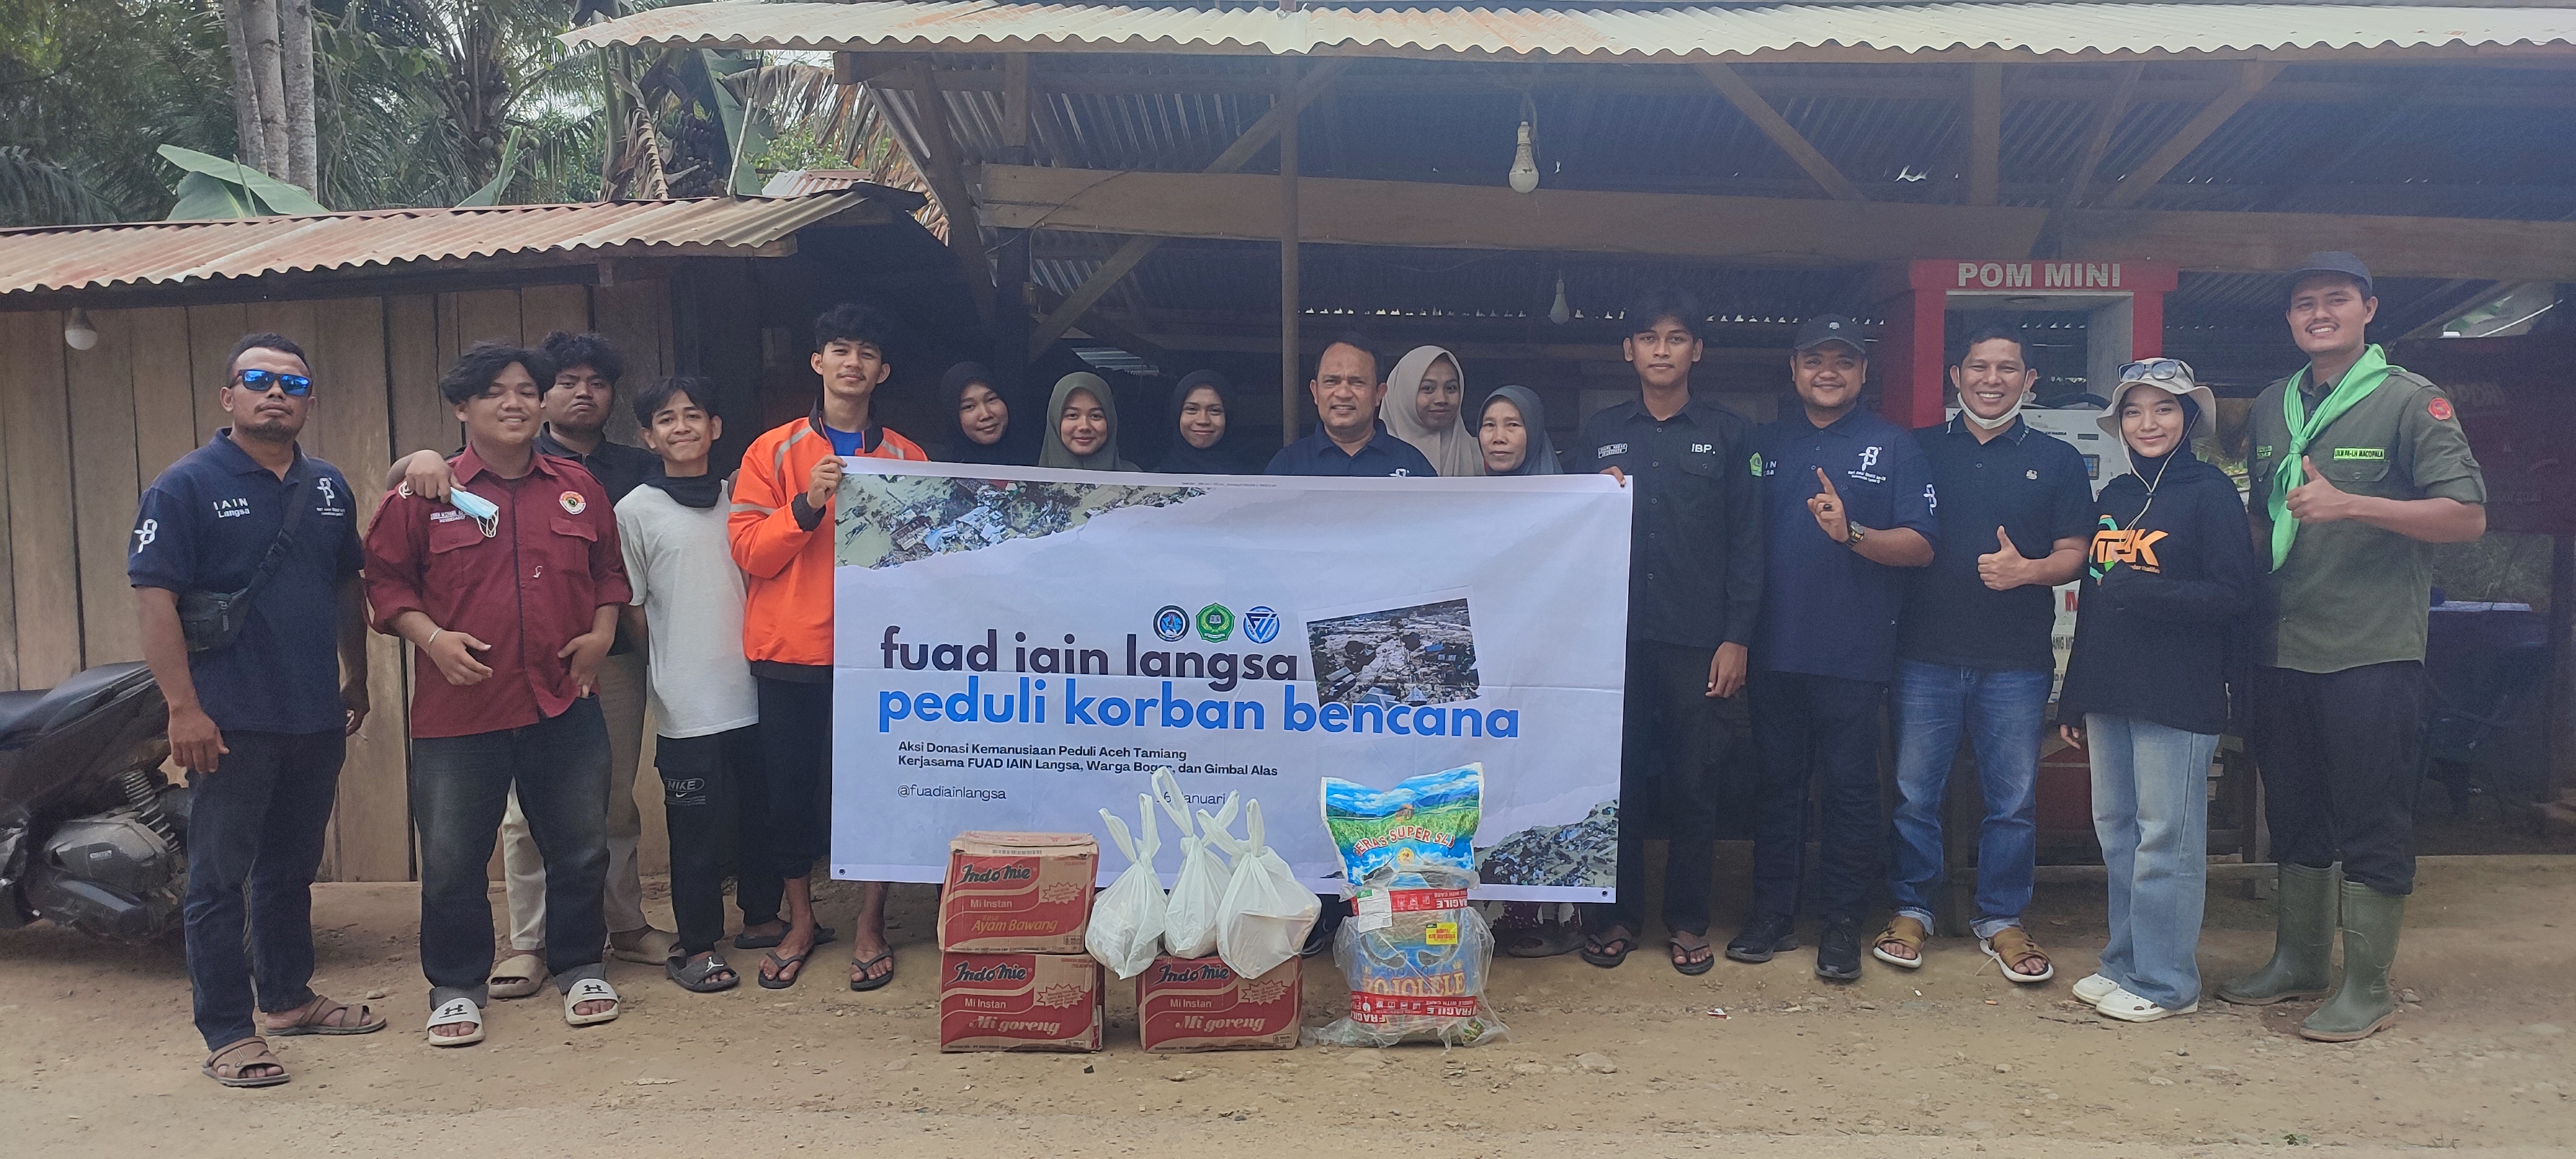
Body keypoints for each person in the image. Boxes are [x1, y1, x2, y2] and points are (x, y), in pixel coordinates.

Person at [2221, 252, 2486, 1042]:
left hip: (2369, 648)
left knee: (2370, 816)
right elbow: (2264, 514)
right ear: (2291, 321)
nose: (2318, 314)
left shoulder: (2411, 403)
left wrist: (2352, 505)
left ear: (2369, 309)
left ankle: (2366, 985)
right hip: (2279, 643)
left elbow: (2466, 517)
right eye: (2304, 304)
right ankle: (2299, 960)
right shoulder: (2272, 405)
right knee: (2295, 813)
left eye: (2335, 300)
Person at [386, 330, 676, 996]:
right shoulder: (445, 482)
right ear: (466, 407)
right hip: (473, 691)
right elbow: (387, 576)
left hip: (578, 682)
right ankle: (495, 964)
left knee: (590, 825)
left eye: (526, 391)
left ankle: (597, 951)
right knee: (479, 842)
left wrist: (605, 631)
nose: (516, 403)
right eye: (498, 393)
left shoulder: (604, 476)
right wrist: (433, 639)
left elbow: (610, 569)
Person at [130, 333, 385, 1087]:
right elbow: (155, 601)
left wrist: (358, 677)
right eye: (258, 380)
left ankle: (287, 999)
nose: (276, 393)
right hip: (228, 719)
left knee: (289, 870)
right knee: (217, 880)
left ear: (307, 401)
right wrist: (183, 709)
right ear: (228, 397)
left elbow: (348, 587)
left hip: (314, 715)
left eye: (293, 384)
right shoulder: (185, 486)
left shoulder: (330, 487)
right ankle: (227, 1032)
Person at [1877, 325, 2092, 981]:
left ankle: (2000, 918)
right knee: (1915, 794)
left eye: (2007, 369)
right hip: (1923, 654)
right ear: (1955, 375)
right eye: (1978, 367)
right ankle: (1912, 908)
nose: (1990, 379)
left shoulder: (2057, 460)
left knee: (2012, 802)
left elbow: (2076, 552)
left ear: (2029, 381)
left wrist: (2027, 572)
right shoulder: (1915, 451)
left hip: (2016, 661)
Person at [729, 302, 927, 992]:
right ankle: (801, 921)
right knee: (788, 797)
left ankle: (872, 922)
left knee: (876, 794)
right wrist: (805, 506)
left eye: (866, 353)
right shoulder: (772, 451)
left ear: (883, 371)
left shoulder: (907, 458)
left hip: (879, 659)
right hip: (790, 653)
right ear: (817, 363)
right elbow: (749, 552)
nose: (852, 363)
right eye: (839, 350)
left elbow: (926, 561)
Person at [2057, 360, 2256, 1023]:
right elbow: (2093, 597)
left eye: (2164, 409)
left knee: (2163, 839)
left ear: (2188, 419)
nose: (2149, 422)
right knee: (2116, 833)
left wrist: (2149, 592)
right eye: (2135, 411)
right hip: (2110, 688)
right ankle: (2124, 963)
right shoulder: (2113, 494)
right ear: (2118, 424)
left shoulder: (2210, 494)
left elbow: (2233, 596)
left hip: (2179, 693)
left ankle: (2168, 983)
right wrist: (2073, 696)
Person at [1740, 314, 1937, 981]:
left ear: (1862, 372)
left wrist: (1851, 533)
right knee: (1776, 788)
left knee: (1851, 791)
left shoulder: (1894, 445)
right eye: (1815, 359)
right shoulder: (1764, 443)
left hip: (1853, 656)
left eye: (1843, 361)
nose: (1828, 372)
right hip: (1772, 650)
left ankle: (1842, 924)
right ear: (1793, 369)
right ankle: (1771, 915)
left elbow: (1920, 545)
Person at [1576, 289, 1763, 974]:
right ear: (1628, 351)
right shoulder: (1598, 432)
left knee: (1695, 781)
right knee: (1616, 781)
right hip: (1613, 641)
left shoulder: (1729, 433)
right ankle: (1615, 917)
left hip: (1699, 642)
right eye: (1648, 338)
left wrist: (1736, 636)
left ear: (1696, 351)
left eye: (1676, 338)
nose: (1661, 350)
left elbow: (1749, 542)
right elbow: (1564, 538)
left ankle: (1687, 920)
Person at [618, 375, 773, 994]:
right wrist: (666, 670)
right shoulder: (634, 510)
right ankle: (700, 943)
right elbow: (632, 607)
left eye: (694, 415)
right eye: (666, 419)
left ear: (716, 428)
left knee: (760, 816)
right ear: (647, 437)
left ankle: (763, 919)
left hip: (758, 686)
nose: (681, 427)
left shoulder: (744, 498)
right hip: (686, 700)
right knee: (696, 831)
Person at [1265, 334, 1440, 477]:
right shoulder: (1287, 466)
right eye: (1331, 381)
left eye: (1357, 382)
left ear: (1379, 394)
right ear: (1315, 392)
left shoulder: (1412, 464)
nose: (1343, 393)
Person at [1384, 345, 1484, 476]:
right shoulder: (1373, 456)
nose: (1441, 399)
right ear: (1403, 393)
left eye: (1451, 388)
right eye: (1428, 388)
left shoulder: (1483, 456)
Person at [1039, 372, 1142, 472]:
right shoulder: (1028, 481)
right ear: (1055, 421)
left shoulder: (1137, 480)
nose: (1085, 426)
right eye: (1073, 415)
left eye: (1096, 416)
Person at [1157, 370, 1252, 475]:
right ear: (1177, 414)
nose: (1203, 420)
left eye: (1215, 410)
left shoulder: (1256, 478)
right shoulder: (1151, 479)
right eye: (1192, 409)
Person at [940, 361, 1033, 466]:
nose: (986, 414)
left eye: (991, 399)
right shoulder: (942, 474)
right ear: (954, 417)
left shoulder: (1038, 458)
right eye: (969, 406)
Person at [1475, 384, 1563, 476]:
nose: (1499, 438)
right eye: (1490, 425)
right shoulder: (1472, 489)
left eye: (1513, 425)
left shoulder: (1555, 489)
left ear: (1534, 434)